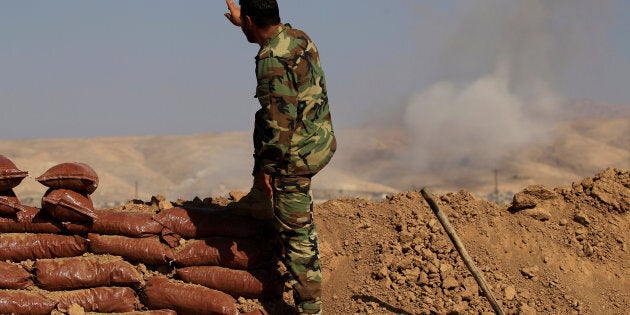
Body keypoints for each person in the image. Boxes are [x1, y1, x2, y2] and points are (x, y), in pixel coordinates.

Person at [224, 0, 336, 314]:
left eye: (245, 21)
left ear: (249, 20)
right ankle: (261, 200)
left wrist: (268, 170)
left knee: (298, 236)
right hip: (319, 137)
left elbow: (279, 125)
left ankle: (310, 309)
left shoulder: (271, 59)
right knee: (263, 118)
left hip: (296, 156)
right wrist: (244, 23)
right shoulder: (298, 37)